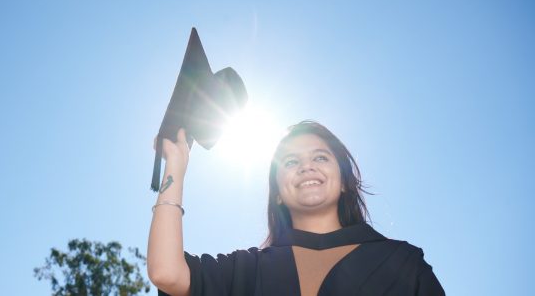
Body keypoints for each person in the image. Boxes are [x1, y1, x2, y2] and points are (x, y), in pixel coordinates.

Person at [148, 121, 445, 296]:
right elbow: (166, 272)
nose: (306, 167)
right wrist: (176, 162)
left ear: (344, 182)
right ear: (277, 194)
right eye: (291, 162)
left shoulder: (402, 263)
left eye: (320, 158)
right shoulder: (248, 270)